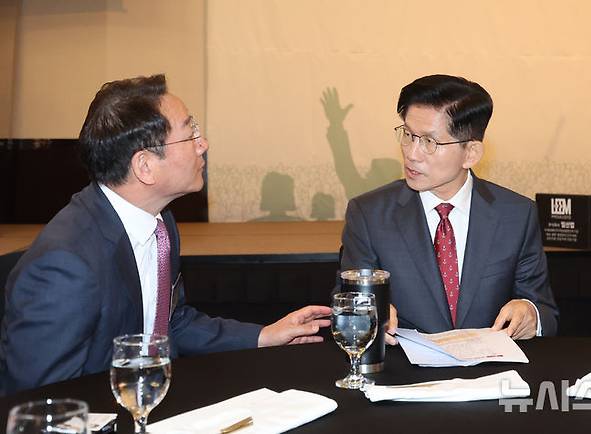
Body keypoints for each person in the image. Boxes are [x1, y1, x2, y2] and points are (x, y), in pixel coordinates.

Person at [0, 74, 330, 394]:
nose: (203, 145)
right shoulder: (65, 265)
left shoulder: (159, 224)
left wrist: (265, 335)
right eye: (190, 134)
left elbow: (170, 323)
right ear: (145, 166)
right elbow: (43, 402)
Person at [340, 74, 558, 344]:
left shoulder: (516, 215)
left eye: (429, 142)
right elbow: (348, 301)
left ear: (471, 153)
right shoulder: (369, 214)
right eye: (408, 135)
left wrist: (530, 314)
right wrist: (367, 314)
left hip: (491, 367)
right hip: (402, 367)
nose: (411, 153)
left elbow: (544, 309)